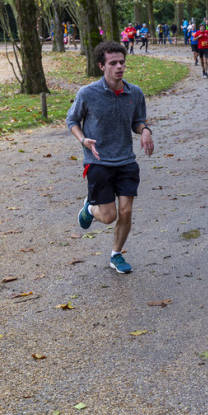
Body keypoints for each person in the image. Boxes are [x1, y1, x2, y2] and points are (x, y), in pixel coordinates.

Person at [66, 40, 155, 274]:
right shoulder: (87, 93)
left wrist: (145, 130)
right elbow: (72, 121)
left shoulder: (134, 92)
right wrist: (83, 139)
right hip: (98, 161)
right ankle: (89, 208)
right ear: (101, 66)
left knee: (126, 212)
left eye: (122, 62)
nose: (119, 67)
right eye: (113, 63)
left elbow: (138, 121)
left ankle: (116, 255)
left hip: (126, 160)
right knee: (108, 217)